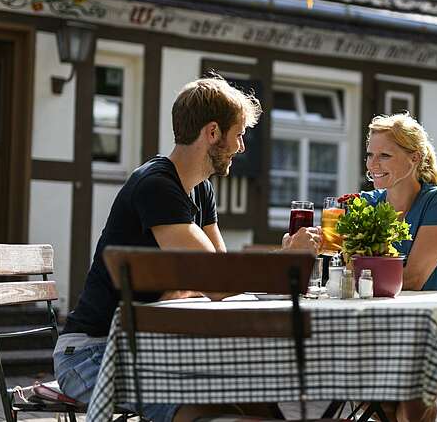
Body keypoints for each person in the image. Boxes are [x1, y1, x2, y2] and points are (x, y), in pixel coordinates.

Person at [53, 76, 321, 422]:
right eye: (238, 134)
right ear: (212, 132)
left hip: (147, 343)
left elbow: (218, 281)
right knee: (205, 410)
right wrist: (285, 261)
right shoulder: (156, 185)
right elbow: (218, 282)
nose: (241, 147)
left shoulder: (199, 189)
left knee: (252, 392)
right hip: (93, 354)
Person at [361, 112, 437, 422]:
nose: (372, 164)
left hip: (433, 332)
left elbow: (415, 279)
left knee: (410, 404)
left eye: (384, 155)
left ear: (414, 158)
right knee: (379, 403)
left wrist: (361, 271)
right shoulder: (366, 204)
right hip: (376, 330)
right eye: (370, 155)